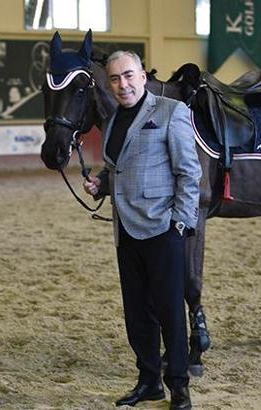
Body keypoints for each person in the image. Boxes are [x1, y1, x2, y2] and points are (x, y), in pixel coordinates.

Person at [83, 50, 201, 410]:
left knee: (169, 312)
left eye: (129, 76)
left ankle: (179, 385)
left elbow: (189, 172)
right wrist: (102, 184)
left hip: (163, 229)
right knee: (136, 313)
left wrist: (180, 223)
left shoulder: (171, 112)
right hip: (126, 231)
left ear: (143, 77)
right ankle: (149, 381)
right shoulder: (114, 118)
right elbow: (120, 166)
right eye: (115, 79)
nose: (123, 84)